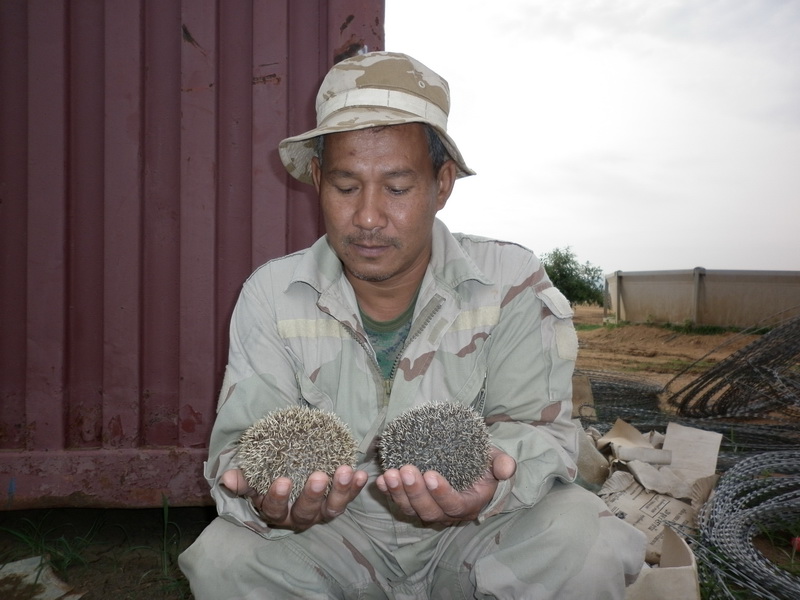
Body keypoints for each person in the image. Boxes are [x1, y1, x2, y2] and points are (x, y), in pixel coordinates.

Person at [179, 51, 645, 599]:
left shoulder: (511, 281)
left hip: (478, 533)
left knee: (587, 541)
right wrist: (266, 497)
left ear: (441, 185)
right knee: (223, 560)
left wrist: (490, 483)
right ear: (317, 179)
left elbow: (541, 433)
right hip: (335, 535)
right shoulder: (272, 294)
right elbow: (240, 448)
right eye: (347, 187)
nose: (369, 217)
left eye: (397, 189)